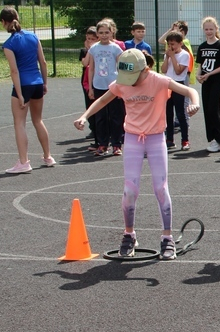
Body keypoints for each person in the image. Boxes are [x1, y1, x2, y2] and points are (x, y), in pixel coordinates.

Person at [73, 49, 200, 259]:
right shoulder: (122, 83)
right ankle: (129, 234)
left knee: (160, 187)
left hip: (156, 137)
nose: (130, 82)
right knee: (130, 190)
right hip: (132, 137)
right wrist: (85, 116)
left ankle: (167, 238)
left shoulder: (158, 80)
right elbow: (103, 100)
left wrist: (194, 103)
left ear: (145, 69)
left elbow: (189, 91)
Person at [0, 7, 55, 173]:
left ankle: (24, 162)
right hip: (37, 82)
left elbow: (14, 71)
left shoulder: (9, 44)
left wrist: (20, 94)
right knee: (38, 120)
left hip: (23, 85)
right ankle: (48, 156)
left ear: (4, 22)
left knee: (19, 123)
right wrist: (44, 83)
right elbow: (43, 62)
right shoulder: (33, 36)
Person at [88, 19, 126, 156]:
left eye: (107, 32)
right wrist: (91, 87)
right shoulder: (94, 48)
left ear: (112, 33)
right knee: (100, 117)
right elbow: (91, 68)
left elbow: (121, 68)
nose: (104, 35)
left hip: (114, 87)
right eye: (101, 32)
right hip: (99, 85)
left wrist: (122, 85)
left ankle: (117, 144)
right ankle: (102, 144)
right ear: (97, 33)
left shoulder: (116, 48)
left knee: (116, 116)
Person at [196, 16, 220, 152]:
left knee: (213, 109)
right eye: (206, 29)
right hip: (206, 82)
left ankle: (219, 139)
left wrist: (210, 74)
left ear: (216, 29)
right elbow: (201, 64)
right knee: (207, 110)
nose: (209, 31)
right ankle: (212, 139)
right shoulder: (202, 46)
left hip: (216, 81)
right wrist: (199, 75)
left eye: (211, 29)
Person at [161, 31, 191, 150]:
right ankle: (169, 139)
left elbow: (178, 71)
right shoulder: (167, 55)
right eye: (169, 44)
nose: (170, 47)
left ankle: (185, 140)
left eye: (173, 44)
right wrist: (167, 57)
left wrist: (173, 56)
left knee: (180, 113)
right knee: (168, 113)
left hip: (178, 84)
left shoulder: (184, 55)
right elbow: (163, 70)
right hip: (168, 85)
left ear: (180, 43)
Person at [79, 26, 99, 149]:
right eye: (88, 38)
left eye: (93, 39)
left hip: (98, 79)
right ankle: (93, 129)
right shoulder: (84, 50)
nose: (90, 41)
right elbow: (85, 63)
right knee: (89, 104)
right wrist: (88, 49)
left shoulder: (99, 50)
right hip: (86, 80)